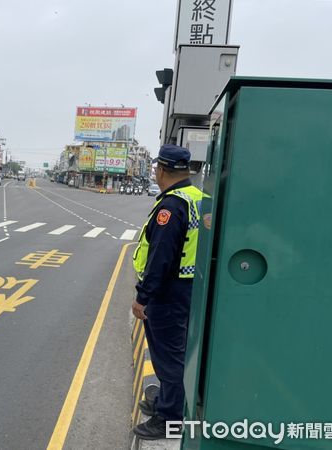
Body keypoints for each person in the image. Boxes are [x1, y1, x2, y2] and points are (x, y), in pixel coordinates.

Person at [131, 144, 203, 440]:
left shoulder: (172, 206)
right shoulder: (199, 197)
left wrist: (142, 296)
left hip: (167, 293)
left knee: (168, 356)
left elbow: (160, 257)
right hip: (189, 289)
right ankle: (166, 401)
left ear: (160, 171)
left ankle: (168, 418)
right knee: (175, 352)